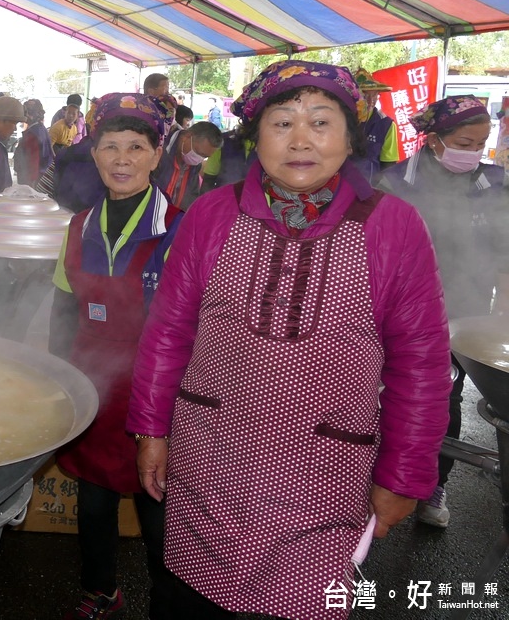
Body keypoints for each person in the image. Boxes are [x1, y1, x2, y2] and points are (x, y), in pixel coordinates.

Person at [127, 61, 452, 620]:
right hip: (208, 459)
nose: (301, 139)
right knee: (185, 602)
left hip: (325, 477)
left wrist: (404, 475)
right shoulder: (212, 215)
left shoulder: (392, 226)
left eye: (321, 122)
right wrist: (150, 429)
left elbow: (420, 367)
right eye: (282, 123)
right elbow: (168, 332)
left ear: (351, 136)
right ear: (256, 139)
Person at [49, 94, 181, 620]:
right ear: (94, 155)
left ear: (156, 155)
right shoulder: (78, 225)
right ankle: (101, 590)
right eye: (110, 147)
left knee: (159, 506)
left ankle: (168, 603)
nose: (122, 158)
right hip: (92, 383)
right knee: (95, 499)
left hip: (156, 385)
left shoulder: (182, 226)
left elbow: (195, 325)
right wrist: (56, 379)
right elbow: (62, 308)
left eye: (136, 147)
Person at [375, 95, 508, 528]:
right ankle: (365, 480)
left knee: (441, 399)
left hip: (463, 313)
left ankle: (432, 483)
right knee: (377, 394)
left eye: (481, 143)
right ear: (433, 140)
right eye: (465, 142)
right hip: (394, 310)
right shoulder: (395, 183)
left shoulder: (496, 183)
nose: (474, 153)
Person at [154, 121, 222, 210]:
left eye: (205, 157)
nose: (199, 159)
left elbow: (191, 197)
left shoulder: (195, 166)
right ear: (186, 137)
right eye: (198, 153)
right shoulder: (159, 148)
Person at [351, 68, 398, 182]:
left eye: (375, 95)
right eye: (365, 96)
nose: (371, 100)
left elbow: (389, 164)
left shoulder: (386, 124)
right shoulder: (340, 118)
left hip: (369, 185)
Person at [14, 97, 53, 187]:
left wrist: (29, 186)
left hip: (32, 182)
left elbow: (32, 164)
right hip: (41, 177)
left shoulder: (32, 135)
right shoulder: (41, 129)